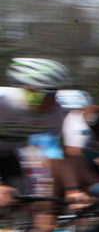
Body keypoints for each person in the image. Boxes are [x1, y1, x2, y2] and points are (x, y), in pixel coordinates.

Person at [0, 58, 75, 215]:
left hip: (7, 154)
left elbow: (60, 154)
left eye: (57, 93)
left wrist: (72, 189)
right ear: (30, 91)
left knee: (19, 202)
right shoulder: (3, 102)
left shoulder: (56, 115)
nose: (55, 100)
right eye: (50, 93)